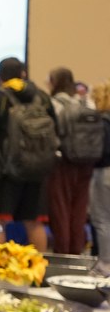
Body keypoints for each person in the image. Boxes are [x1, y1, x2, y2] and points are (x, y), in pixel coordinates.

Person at [0, 57, 57, 250]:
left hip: (3, 170)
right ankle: (38, 270)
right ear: (24, 74)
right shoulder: (42, 97)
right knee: (34, 222)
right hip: (38, 169)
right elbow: (56, 130)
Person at [46, 66, 95, 255]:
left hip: (62, 162)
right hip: (87, 162)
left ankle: (63, 254)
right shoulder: (86, 103)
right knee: (79, 211)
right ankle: (78, 253)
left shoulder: (53, 104)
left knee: (61, 211)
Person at [87, 82, 110, 276]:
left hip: (104, 172)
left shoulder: (101, 123)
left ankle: (105, 264)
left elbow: (98, 151)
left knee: (101, 219)